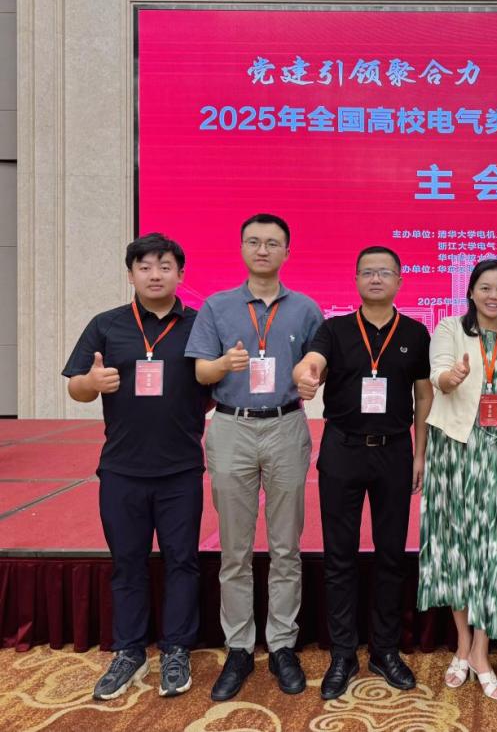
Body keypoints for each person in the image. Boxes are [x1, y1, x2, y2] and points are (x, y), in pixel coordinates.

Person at [63, 233, 210, 700]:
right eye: (144, 267)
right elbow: (76, 388)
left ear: (180, 274)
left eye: (164, 266)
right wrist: (91, 382)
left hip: (181, 469)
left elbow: (211, 387)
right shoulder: (106, 325)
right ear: (130, 275)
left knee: (182, 561)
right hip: (122, 469)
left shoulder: (199, 326)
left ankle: (176, 649)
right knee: (127, 563)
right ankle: (128, 650)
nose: (154, 274)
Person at [185, 213, 323, 700]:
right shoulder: (217, 306)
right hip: (231, 427)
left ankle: (282, 643)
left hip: (286, 425)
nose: (262, 250)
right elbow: (201, 373)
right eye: (254, 242)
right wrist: (224, 364)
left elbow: (318, 363)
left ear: (287, 251)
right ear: (242, 248)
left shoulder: (306, 308)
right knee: (235, 549)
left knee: (286, 546)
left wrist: (312, 377)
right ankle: (240, 647)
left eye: (272, 243)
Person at [292, 246, 432, 699]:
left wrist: (420, 454)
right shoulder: (333, 329)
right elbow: (312, 362)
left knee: (391, 554)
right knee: (340, 556)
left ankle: (385, 650)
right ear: (355, 280)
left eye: (384, 272)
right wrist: (306, 373)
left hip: (394, 452)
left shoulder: (415, 332)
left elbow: (424, 396)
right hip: (343, 450)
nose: (375, 278)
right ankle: (343, 653)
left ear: (399, 281)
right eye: (367, 272)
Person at [418, 259, 497, 701]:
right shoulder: (449, 329)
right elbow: (439, 376)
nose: (493, 295)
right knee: (456, 548)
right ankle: (462, 645)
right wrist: (450, 378)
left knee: (495, 551)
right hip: (454, 452)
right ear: (471, 292)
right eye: (485, 287)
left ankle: (481, 652)